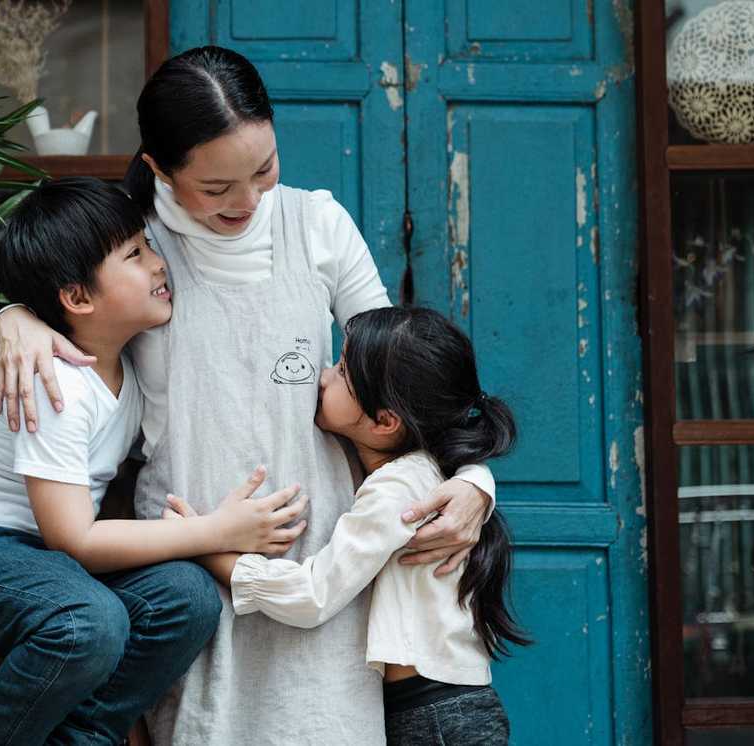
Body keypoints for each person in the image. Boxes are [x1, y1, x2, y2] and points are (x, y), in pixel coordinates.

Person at [0, 47, 499, 745]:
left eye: (264, 169)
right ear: (159, 169)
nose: (247, 201)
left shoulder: (316, 225)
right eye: (217, 186)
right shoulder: (136, 252)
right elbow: (41, 344)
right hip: (194, 571)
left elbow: (400, 375)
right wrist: (10, 322)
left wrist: (474, 480)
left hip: (321, 571)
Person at [0, 178, 308, 745]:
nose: (159, 265)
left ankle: (79, 739)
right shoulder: (55, 380)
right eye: (135, 254)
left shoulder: (124, 371)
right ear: (78, 299)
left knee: (186, 597)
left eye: (149, 246)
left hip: (33, 561)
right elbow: (74, 538)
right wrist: (216, 531)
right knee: (89, 621)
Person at [169, 307, 531, 745]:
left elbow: (312, 594)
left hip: (434, 718)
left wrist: (206, 546)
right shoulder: (423, 473)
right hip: (441, 708)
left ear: (384, 422)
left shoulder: (397, 491)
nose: (322, 377)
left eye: (340, 371)